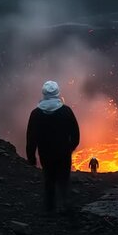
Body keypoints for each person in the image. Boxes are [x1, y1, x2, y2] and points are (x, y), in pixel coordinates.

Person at [26, 80, 80, 214]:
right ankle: (67, 206)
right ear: (57, 93)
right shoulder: (66, 111)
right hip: (63, 153)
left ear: (43, 93)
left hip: (45, 153)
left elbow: (31, 138)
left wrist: (31, 157)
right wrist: (70, 148)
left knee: (49, 179)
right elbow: (75, 133)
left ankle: (50, 209)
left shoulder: (36, 114)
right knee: (64, 179)